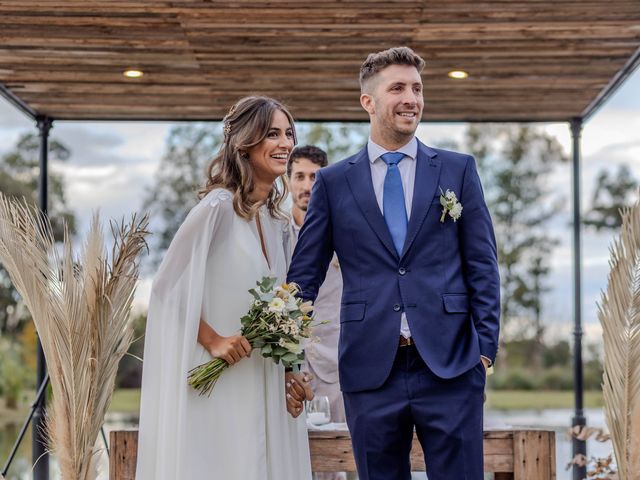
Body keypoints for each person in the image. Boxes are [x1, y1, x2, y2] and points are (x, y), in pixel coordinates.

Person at [287, 47, 500, 480]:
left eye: (417, 89)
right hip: (370, 369)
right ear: (368, 101)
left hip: (452, 365)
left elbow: (483, 264)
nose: (412, 99)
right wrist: (288, 356)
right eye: (398, 88)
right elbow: (304, 276)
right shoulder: (333, 181)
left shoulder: (458, 170)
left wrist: (484, 352)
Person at [136, 96, 312, 480]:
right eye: (272, 134)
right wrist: (213, 339)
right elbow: (167, 287)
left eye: (288, 134)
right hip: (221, 380)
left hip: (261, 376)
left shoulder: (275, 220)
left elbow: (280, 308)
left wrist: (290, 372)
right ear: (244, 144)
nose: (285, 143)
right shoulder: (217, 208)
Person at [287, 145, 345, 423]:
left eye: (314, 178)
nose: (307, 185)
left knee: (338, 455)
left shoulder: (344, 231)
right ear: (287, 181)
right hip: (283, 364)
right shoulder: (273, 231)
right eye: (299, 176)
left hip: (334, 363)